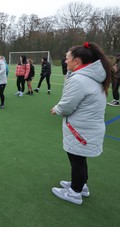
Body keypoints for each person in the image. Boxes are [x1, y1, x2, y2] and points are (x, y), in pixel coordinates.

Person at [50, 42, 111, 205]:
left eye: (67, 58)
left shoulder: (79, 79)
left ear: (77, 61)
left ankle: (75, 192)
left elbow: (67, 106)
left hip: (81, 130)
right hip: (86, 128)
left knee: (77, 161)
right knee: (79, 160)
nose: (65, 61)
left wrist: (57, 109)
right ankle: (80, 186)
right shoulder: (90, 77)